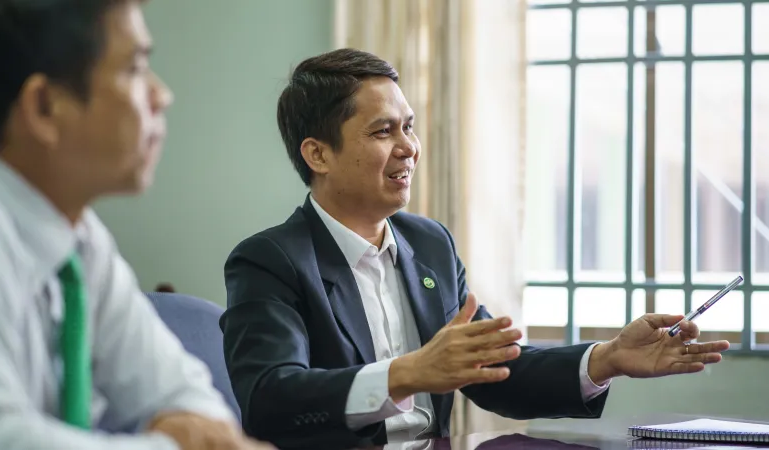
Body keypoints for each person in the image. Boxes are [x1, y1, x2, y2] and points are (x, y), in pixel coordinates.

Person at [220, 48, 730, 450]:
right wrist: (407, 374)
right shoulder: (271, 260)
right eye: (382, 131)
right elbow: (270, 398)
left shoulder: (429, 243)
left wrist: (608, 358)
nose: (409, 147)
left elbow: (497, 373)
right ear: (318, 154)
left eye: (408, 126)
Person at [0, 1, 275, 449]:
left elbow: (183, 391)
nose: (162, 95)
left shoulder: (80, 242)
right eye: (135, 69)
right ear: (43, 107)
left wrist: (197, 435)